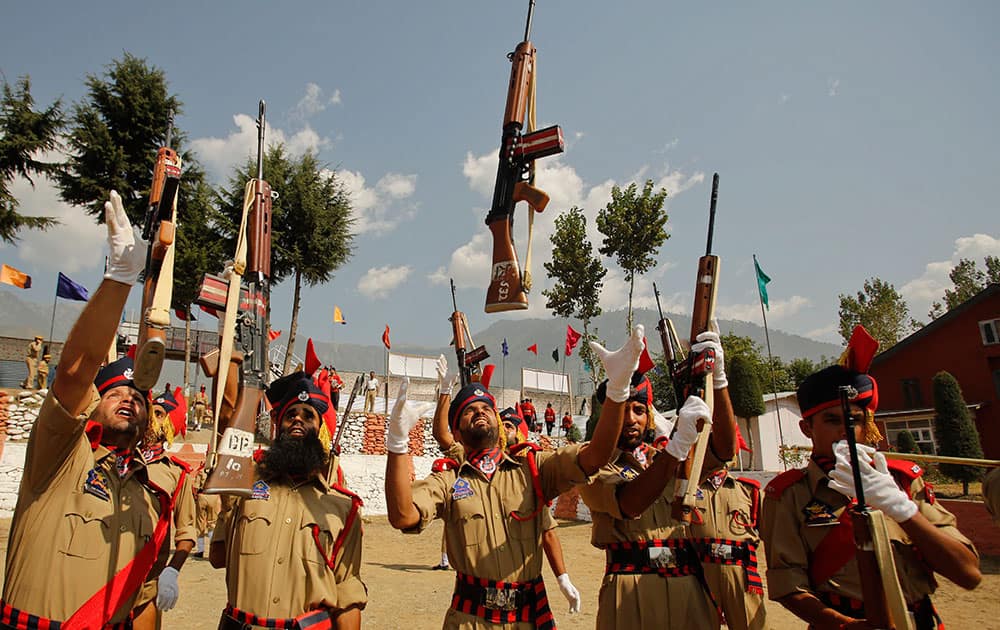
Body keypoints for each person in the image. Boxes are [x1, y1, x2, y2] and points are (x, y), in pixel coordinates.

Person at [385, 326, 647, 628]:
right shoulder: (449, 480)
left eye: (486, 407)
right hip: (471, 619)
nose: (480, 412)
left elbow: (596, 457)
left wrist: (617, 391)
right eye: (469, 412)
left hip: (527, 617)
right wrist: (397, 444)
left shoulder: (533, 470)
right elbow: (403, 516)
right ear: (457, 432)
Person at [1, 190, 180, 627]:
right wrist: (121, 276)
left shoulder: (151, 494)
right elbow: (74, 373)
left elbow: (141, 603)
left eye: (139, 398)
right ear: (92, 406)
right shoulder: (60, 456)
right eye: (115, 393)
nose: (130, 400)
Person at [761, 361, 981, 629]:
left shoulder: (901, 482)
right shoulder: (789, 494)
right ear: (807, 428)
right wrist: (843, 625)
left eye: (855, 420)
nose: (845, 430)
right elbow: (788, 584)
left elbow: (968, 574)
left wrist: (901, 508)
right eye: (832, 420)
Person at [578, 328, 738, 629]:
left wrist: (717, 380)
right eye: (623, 410)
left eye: (639, 409)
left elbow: (725, 450)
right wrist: (677, 448)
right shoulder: (594, 465)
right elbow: (629, 502)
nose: (631, 419)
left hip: (687, 583)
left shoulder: (660, 456)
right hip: (630, 587)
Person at [210, 371, 367, 629]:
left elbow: (346, 595)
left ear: (320, 430)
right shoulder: (244, 483)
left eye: (308, 416)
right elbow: (218, 557)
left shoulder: (341, 508)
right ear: (277, 425)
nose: (297, 419)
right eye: (290, 414)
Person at [427, 356, 583, 613]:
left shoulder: (528, 471)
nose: (506, 429)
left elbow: (547, 530)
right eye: (505, 424)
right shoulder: (471, 456)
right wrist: (445, 392)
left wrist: (562, 577)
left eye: (511, 425)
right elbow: (443, 436)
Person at [133, 388, 198, 630]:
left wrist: (172, 570)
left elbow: (187, 530)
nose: (150, 418)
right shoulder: (116, 457)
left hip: (145, 586)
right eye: (150, 411)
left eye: (159, 414)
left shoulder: (177, 474)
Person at [687, 463, 767, 630]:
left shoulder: (748, 490)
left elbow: (768, 533)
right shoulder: (689, 488)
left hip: (740, 572)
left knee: (750, 624)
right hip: (701, 572)